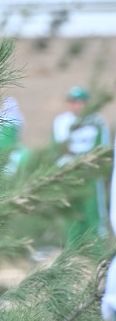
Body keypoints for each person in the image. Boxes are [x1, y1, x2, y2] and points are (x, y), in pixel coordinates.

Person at [52, 86, 110, 245]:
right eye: (73, 102)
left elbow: (102, 148)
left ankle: (96, 248)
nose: (76, 106)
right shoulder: (61, 122)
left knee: (93, 210)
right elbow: (57, 148)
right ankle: (72, 247)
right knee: (71, 211)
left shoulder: (97, 122)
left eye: (80, 102)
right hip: (69, 173)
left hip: (90, 173)